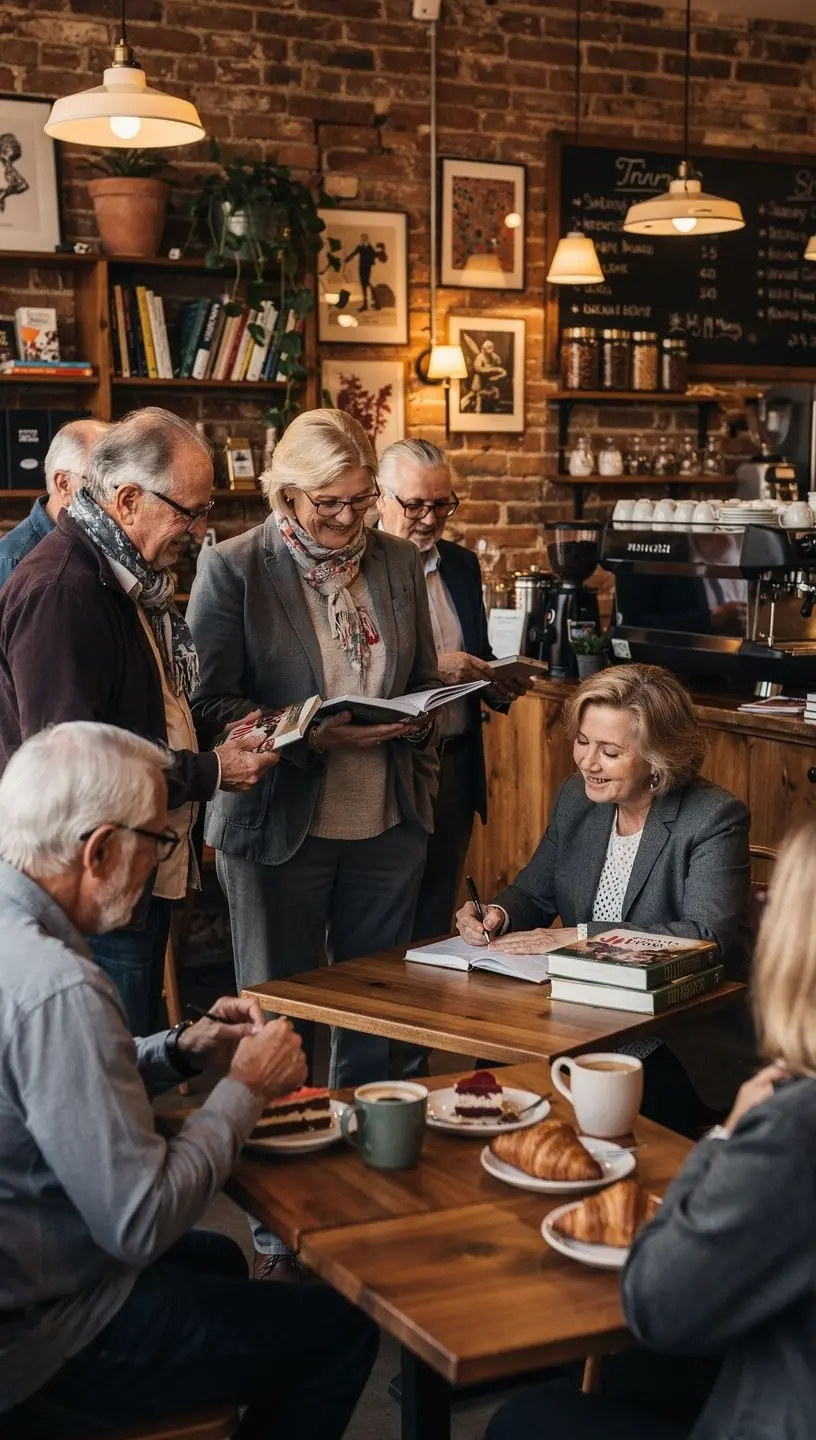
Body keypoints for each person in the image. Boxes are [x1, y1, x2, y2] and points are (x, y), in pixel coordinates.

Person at [0, 721, 377, 1440]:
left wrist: (183, 1047)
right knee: (337, 1331)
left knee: (217, 1256)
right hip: (37, 1347)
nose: (162, 856)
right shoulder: (58, 986)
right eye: (160, 837)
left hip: (29, 1270)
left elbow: (55, 1077)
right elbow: (140, 1221)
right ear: (100, 850)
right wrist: (244, 1088)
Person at [486, 817, 816, 1440]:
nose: (760, 914)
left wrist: (726, 1141)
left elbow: (655, 1301)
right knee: (613, 1377)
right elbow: (531, 889)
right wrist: (503, 911)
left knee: (525, 1423)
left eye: (772, 904)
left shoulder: (792, 1126)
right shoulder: (575, 809)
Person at [0, 407, 277, 1036]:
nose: (200, 528)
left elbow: (141, 714)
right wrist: (211, 771)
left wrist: (215, 740)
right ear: (126, 499)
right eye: (188, 511)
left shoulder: (123, 577)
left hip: (130, 861)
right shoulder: (66, 589)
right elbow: (74, 767)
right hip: (89, 878)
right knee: (118, 1062)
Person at [187, 408, 439, 1092]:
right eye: (329, 503)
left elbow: (422, 678)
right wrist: (309, 735)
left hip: (385, 821)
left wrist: (420, 720)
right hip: (278, 820)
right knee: (282, 1013)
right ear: (287, 494)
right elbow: (207, 703)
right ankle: (282, 1148)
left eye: (361, 500)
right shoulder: (233, 567)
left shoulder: (397, 561)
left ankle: (365, 1141)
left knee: (375, 1010)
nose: (348, 519)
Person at [457, 663, 752, 1133]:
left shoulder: (714, 818)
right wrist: (496, 913)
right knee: (490, 1079)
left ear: (660, 759)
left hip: (673, 1032)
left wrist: (576, 938)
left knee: (599, 1115)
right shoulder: (578, 797)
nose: (587, 762)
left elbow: (705, 936)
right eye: (582, 741)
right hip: (575, 1014)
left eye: (610, 751)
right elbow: (533, 892)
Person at [377, 437, 529, 941]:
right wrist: (435, 669)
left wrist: (501, 684)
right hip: (389, 766)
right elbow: (359, 674)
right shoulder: (360, 567)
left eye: (442, 504)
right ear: (380, 496)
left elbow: (477, 656)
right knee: (380, 920)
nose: (429, 517)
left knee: (436, 914)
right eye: (415, 504)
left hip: (457, 764)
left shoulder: (462, 565)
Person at [0, 416, 107, 585]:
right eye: (103, 482)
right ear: (64, 485)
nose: (117, 497)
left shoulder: (103, 542)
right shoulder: (12, 560)